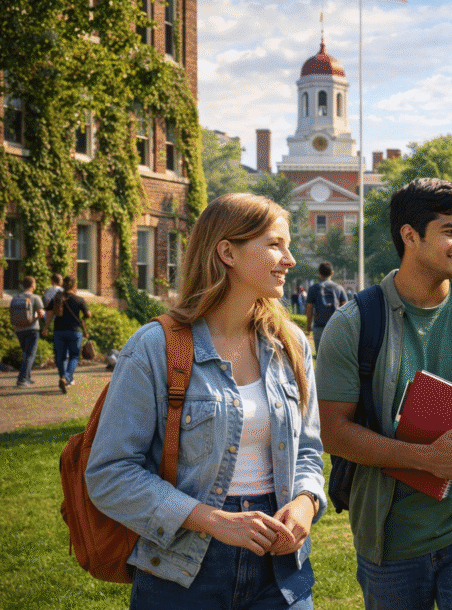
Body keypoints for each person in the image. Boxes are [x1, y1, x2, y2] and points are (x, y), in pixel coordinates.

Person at [85, 193, 325, 609]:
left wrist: (305, 503)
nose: (289, 260)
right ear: (227, 252)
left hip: (280, 568)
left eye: (288, 246)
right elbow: (110, 473)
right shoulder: (155, 347)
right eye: (274, 244)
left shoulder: (290, 346)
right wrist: (215, 521)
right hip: (182, 569)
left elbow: (307, 450)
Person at [316, 178, 452, 610]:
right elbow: (332, 432)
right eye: (450, 231)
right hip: (390, 536)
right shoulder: (356, 323)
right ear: (410, 236)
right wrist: (423, 458)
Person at [43, 275, 91, 394]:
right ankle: (67, 378)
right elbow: (88, 314)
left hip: (59, 331)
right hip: (75, 331)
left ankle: (62, 377)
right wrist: (83, 318)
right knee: (74, 356)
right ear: (74, 285)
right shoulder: (79, 299)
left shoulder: (57, 298)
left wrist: (45, 328)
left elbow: (49, 315)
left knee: (60, 356)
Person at [11, 276, 45, 388]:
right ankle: (21, 380)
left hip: (19, 329)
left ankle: (28, 377)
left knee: (26, 354)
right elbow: (41, 314)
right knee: (30, 355)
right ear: (32, 285)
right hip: (32, 329)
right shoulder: (35, 297)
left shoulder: (15, 298)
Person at [305, 261, 346, 353]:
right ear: (332, 273)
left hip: (319, 327)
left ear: (320, 274)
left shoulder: (313, 289)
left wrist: (308, 326)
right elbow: (345, 307)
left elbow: (309, 308)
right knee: (335, 356)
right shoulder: (339, 288)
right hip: (335, 327)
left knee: (320, 356)